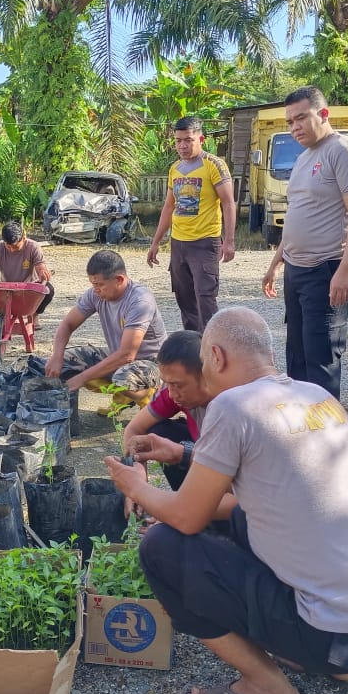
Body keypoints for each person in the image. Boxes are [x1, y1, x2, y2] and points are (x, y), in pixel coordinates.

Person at [105, 306, 348, 694]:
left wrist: (136, 487)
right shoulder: (316, 396)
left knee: (161, 547)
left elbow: (187, 519)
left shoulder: (232, 406)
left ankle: (272, 691)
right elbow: (270, 500)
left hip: (330, 634)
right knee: (245, 520)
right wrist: (181, 454)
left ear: (215, 356)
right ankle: (337, 662)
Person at [261, 86, 348, 399]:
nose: (294, 126)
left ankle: (327, 434)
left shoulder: (343, 151)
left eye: (301, 118)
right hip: (295, 271)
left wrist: (346, 270)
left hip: (326, 269)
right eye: (289, 122)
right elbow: (297, 214)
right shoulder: (303, 158)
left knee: (321, 355)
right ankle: (302, 423)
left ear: (323, 114)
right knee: (296, 354)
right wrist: (274, 264)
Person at [148, 116, 237, 332]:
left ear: (201, 139)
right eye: (178, 141)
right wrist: (156, 242)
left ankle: (212, 350)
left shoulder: (214, 165)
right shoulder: (175, 168)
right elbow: (169, 207)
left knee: (205, 299)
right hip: (179, 244)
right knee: (185, 300)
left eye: (188, 140)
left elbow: (228, 203)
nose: (183, 146)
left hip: (205, 243)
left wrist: (230, 241)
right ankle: (192, 349)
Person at [45, 250, 165, 403]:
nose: (96, 290)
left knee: (122, 378)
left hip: (152, 363)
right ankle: (124, 394)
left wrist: (81, 378)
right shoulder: (95, 294)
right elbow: (67, 324)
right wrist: (57, 355)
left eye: (100, 285)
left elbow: (126, 356)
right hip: (119, 357)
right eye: (93, 284)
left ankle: (148, 393)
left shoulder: (140, 301)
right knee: (67, 360)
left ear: (119, 279)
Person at [120, 330, 210, 494]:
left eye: (178, 385)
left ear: (206, 375)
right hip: (203, 455)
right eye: (167, 383)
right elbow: (134, 430)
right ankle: (183, 494)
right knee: (158, 432)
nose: (171, 393)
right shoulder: (173, 392)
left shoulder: (231, 407)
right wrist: (138, 475)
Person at [0, 221, 54, 325]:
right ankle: (4, 315)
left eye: (15, 247)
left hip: (29, 288)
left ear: (24, 238)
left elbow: (40, 267)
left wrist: (43, 273)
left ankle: (34, 314)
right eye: (8, 247)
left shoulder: (33, 247)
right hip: (7, 288)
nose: (12, 250)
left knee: (49, 290)